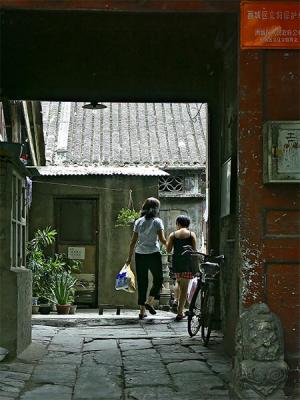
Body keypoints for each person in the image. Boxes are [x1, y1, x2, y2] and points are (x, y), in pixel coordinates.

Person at [126, 197, 167, 319]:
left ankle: (142, 311)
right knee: (159, 279)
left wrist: (128, 258)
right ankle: (149, 301)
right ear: (156, 209)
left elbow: (133, 242)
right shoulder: (157, 221)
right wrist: (171, 242)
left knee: (142, 282)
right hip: (154, 254)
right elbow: (162, 240)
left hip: (140, 254)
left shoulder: (138, 221)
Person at [166, 215, 197, 321]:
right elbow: (194, 250)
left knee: (178, 282)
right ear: (187, 224)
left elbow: (168, 250)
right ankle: (180, 312)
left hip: (177, 262)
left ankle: (176, 301)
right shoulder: (191, 234)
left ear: (178, 224)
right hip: (187, 263)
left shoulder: (173, 235)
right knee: (184, 288)